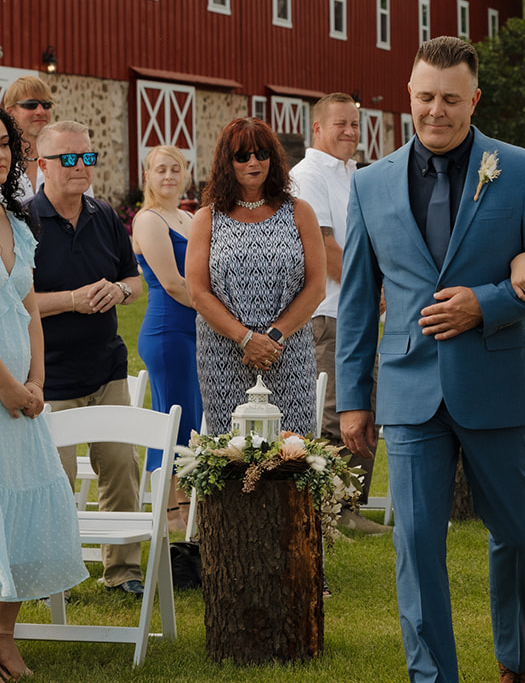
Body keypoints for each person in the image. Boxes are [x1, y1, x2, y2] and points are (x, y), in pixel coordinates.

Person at [336, 36, 525, 683]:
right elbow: (356, 300)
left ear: (473, 100)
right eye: (422, 96)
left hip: (495, 381)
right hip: (409, 389)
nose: (434, 110)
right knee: (414, 547)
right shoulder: (369, 184)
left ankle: (515, 661)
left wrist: (487, 302)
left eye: (449, 98)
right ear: (406, 96)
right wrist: (355, 399)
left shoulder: (522, 171)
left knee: (515, 533)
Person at [30, 120, 145, 596]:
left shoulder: (105, 216)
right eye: (68, 159)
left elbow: (136, 283)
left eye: (87, 157)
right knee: (49, 484)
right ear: (41, 165)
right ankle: (49, 576)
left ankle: (123, 573)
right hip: (48, 377)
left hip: (106, 369)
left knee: (121, 468)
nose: (80, 168)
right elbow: (16, 301)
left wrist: (117, 290)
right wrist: (72, 300)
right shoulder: (21, 221)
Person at [0, 105, 88, 683]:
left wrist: (35, 382)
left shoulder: (15, 220)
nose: (1, 154)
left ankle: (6, 642)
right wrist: (8, 388)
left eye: (4, 144)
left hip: (22, 396)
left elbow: (29, 306)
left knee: (22, 518)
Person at [186, 119, 325, 435]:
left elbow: (316, 287)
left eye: (262, 154)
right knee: (232, 454)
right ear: (227, 162)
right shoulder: (207, 219)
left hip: (287, 350)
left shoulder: (300, 212)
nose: (254, 162)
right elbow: (198, 292)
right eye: (242, 156)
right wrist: (246, 338)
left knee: (292, 454)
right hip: (223, 352)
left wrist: (273, 338)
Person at [289, 93, 387, 536]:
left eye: (355, 124)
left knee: (367, 407)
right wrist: (367, 291)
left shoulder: (352, 174)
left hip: (362, 311)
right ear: (317, 129)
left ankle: (352, 505)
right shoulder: (308, 176)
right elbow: (324, 247)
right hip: (330, 312)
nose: (350, 131)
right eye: (340, 124)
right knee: (335, 411)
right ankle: (334, 512)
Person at [131, 145, 202, 526]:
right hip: (167, 331)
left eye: (176, 169)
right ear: (148, 175)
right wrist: (220, 315)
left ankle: (188, 504)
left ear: (185, 174)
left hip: (194, 329)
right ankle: (170, 510)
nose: (169, 176)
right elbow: (174, 283)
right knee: (172, 414)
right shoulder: (149, 220)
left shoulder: (188, 218)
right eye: (161, 169)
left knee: (192, 416)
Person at [2, 75, 55, 203]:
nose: (40, 111)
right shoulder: (3, 161)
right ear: (10, 112)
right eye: (31, 105)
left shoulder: (67, 159)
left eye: (46, 105)